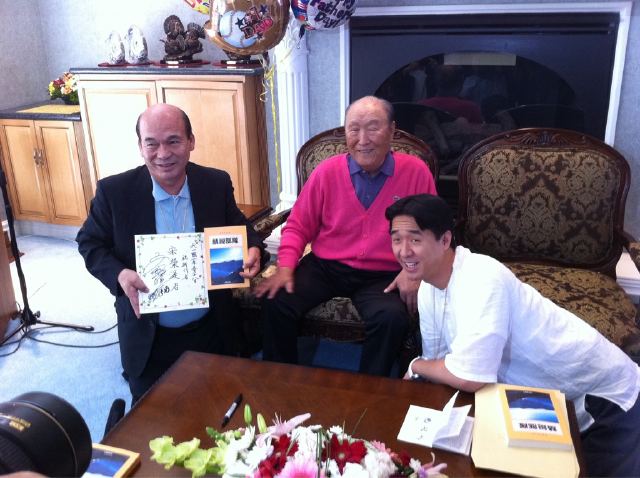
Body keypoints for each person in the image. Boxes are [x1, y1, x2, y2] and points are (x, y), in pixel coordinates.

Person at [385, 194, 640, 477]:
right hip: (539, 402)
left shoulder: (482, 278)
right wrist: (423, 369)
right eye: (396, 240)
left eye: (415, 239)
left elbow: (469, 376)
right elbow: (441, 361)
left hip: (601, 397)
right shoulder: (428, 287)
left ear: (445, 240)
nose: (404, 251)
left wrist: (416, 365)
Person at [76, 104, 264, 403]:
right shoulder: (115, 192)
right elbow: (90, 243)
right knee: (154, 421)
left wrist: (253, 248)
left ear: (191, 141)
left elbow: (242, 229)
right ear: (140, 146)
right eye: (152, 143)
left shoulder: (214, 183)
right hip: (149, 340)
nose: (163, 154)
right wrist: (119, 274)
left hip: (212, 331)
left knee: (220, 412)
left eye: (173, 141)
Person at [255, 96, 437, 376]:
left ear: (392, 130)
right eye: (354, 129)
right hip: (326, 266)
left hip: (384, 273)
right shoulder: (326, 172)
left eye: (373, 128)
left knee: (391, 318)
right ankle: (282, 381)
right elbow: (298, 225)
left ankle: (368, 389)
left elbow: (431, 230)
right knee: (276, 300)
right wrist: (286, 267)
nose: (363, 139)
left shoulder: (415, 172)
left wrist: (413, 271)